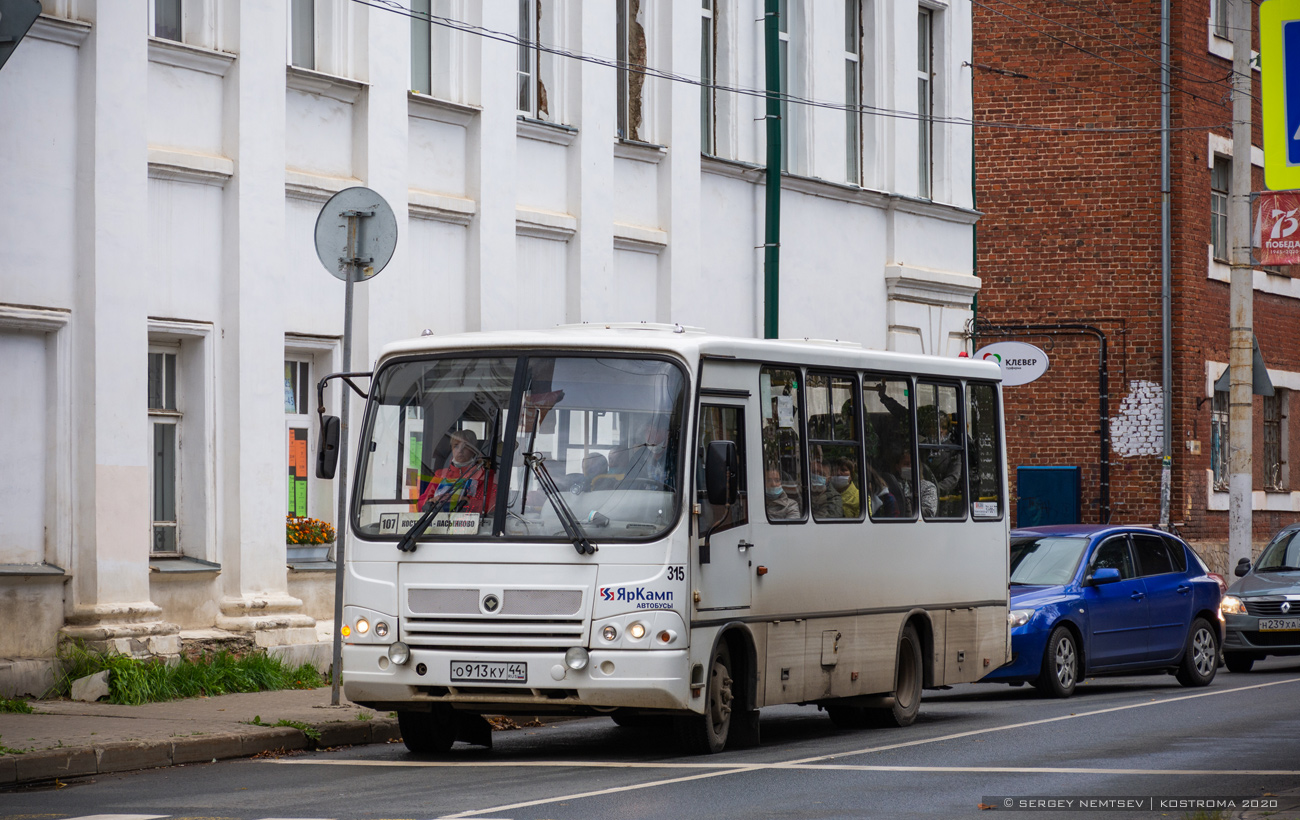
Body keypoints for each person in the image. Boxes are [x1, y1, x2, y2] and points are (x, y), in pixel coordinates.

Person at [417, 428, 497, 513]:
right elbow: (420, 504)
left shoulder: (484, 474)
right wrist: (432, 500)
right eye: (456, 446)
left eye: (465, 446)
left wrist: (464, 501)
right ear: (451, 448)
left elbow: (492, 505)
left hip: (469, 524)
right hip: (439, 524)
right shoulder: (440, 474)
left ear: (474, 450)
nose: (460, 450)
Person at [809, 447, 843, 519]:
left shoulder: (834, 498)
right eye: (814, 472)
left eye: (821, 474)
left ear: (828, 479)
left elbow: (829, 518)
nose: (817, 475)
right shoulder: (801, 491)